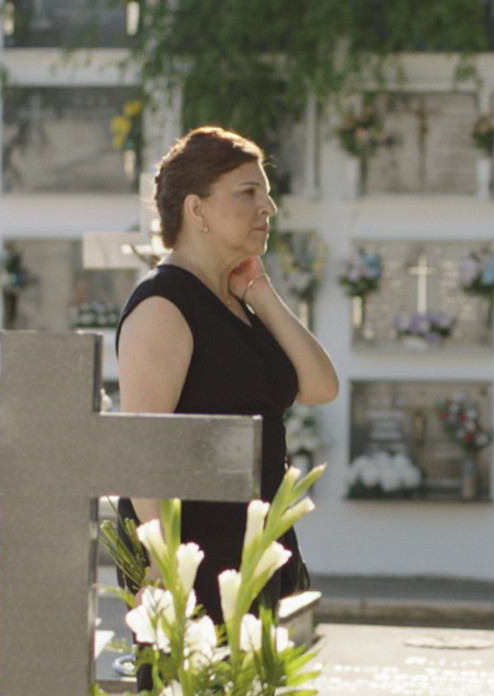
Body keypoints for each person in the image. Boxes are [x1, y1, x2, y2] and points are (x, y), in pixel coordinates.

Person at [115, 126, 339, 629]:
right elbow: (141, 449)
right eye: (248, 193)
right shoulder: (163, 305)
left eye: (266, 193)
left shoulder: (237, 300)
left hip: (255, 556)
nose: (268, 208)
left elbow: (321, 386)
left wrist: (259, 290)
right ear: (197, 210)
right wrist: (164, 570)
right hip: (194, 567)